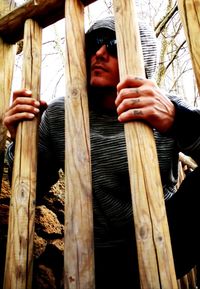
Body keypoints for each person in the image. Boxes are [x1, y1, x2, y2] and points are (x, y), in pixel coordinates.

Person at [4, 16, 200, 288]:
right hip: (97, 254)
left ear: (140, 56)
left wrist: (178, 120)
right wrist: (20, 141)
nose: (99, 52)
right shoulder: (60, 115)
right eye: (94, 43)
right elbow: (30, 190)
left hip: (166, 237)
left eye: (114, 44)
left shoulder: (166, 105)